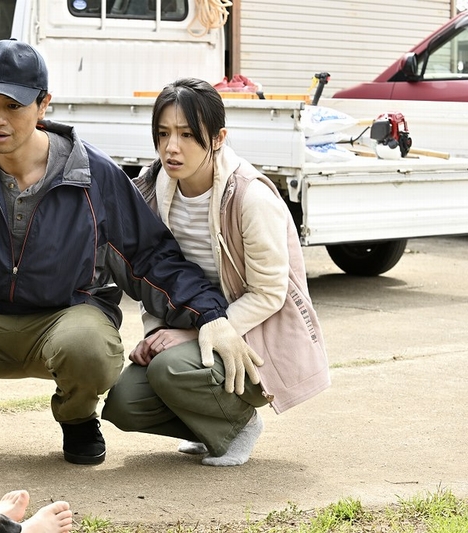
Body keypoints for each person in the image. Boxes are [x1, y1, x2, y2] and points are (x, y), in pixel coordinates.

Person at [0, 40, 262, 466]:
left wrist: (210, 315)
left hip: (68, 317)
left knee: (88, 348)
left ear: (43, 105)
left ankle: (77, 417)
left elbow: (151, 258)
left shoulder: (94, 176)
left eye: (13, 106)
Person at [102, 78, 329, 466]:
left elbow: (269, 294)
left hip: (250, 339)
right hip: (191, 327)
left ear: (219, 137)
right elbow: (153, 275)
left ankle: (239, 425)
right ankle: (208, 426)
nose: (172, 147)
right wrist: (156, 334)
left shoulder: (250, 197)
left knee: (171, 368)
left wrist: (195, 332)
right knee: (125, 403)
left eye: (187, 134)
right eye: (163, 133)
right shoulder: (152, 190)